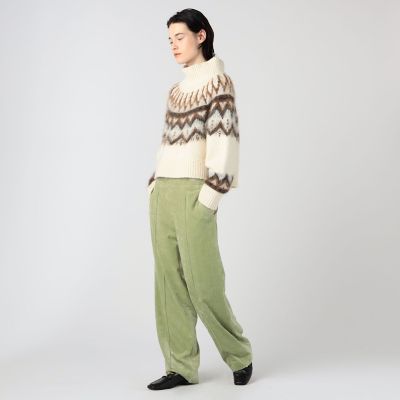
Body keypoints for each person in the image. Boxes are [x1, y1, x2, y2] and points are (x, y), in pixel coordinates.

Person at [146, 8, 253, 390]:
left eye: (180, 37)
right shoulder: (175, 91)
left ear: (201, 35)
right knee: (168, 284)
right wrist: (154, 183)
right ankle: (180, 366)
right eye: (170, 40)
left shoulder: (219, 83)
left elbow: (225, 140)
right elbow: (168, 142)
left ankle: (239, 354)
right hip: (164, 192)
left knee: (204, 282)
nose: (174, 46)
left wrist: (212, 194)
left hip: (195, 192)